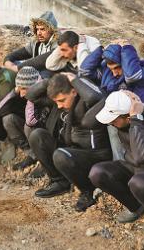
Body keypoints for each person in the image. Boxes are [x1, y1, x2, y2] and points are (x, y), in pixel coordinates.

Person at [89, 90, 144, 229]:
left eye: (114, 120)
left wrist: (136, 121)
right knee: (98, 172)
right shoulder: (123, 123)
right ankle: (136, 207)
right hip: (135, 165)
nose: (111, 124)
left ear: (128, 117)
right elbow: (132, 157)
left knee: (138, 182)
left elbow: (141, 156)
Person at [27, 73, 111, 211]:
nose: (59, 106)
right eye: (57, 102)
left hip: (94, 156)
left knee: (60, 155)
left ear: (74, 91)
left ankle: (87, 191)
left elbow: (96, 97)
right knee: (37, 135)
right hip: (71, 151)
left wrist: (74, 79)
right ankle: (60, 182)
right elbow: (31, 96)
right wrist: (52, 81)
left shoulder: (86, 101)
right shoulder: (62, 103)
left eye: (62, 100)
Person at [79, 39, 144, 106]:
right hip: (114, 115)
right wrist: (102, 50)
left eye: (117, 67)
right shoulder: (107, 70)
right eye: (111, 69)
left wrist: (126, 47)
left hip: (140, 116)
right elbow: (84, 72)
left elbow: (131, 76)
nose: (114, 73)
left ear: (125, 61)